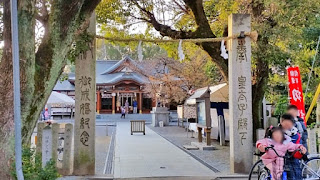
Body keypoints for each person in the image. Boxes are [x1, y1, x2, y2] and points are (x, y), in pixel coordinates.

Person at [279, 114, 304, 180]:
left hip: (294, 160)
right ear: (281, 122)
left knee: (296, 174)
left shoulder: (296, 134)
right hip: (281, 161)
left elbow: (298, 145)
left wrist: (300, 149)